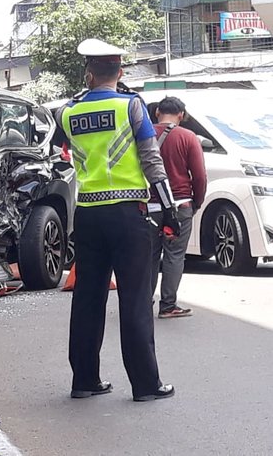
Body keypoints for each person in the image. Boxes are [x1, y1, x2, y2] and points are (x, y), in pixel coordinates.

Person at [54, 38, 179, 402]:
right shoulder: (131, 106)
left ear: (89, 74)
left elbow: (60, 149)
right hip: (129, 214)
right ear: (120, 72)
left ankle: (84, 381)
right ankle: (145, 385)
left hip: (88, 215)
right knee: (136, 298)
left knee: (88, 297)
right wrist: (169, 207)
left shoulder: (67, 111)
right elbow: (151, 159)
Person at [148, 96, 207, 318]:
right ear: (181, 115)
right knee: (174, 255)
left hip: (150, 205)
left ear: (157, 113)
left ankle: (143, 305)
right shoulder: (188, 137)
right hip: (179, 204)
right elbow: (199, 175)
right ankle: (168, 305)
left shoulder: (143, 135)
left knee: (149, 256)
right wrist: (197, 201)